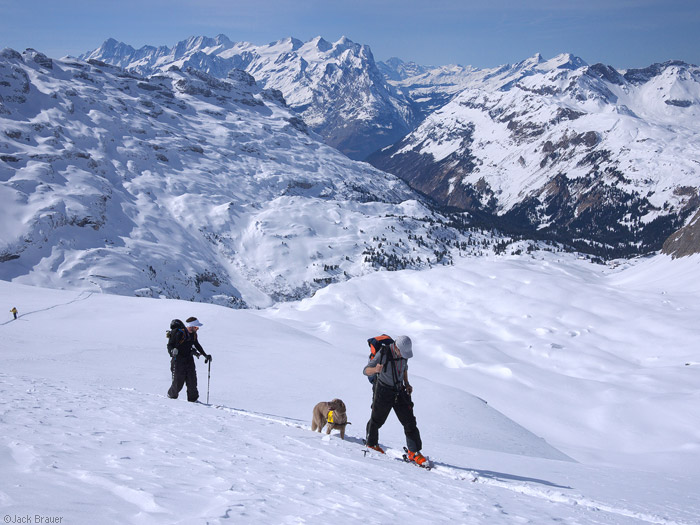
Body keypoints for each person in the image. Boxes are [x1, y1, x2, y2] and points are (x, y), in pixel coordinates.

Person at [363, 335, 427, 466]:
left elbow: (404, 369)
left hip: (399, 390)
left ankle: (414, 452)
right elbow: (365, 370)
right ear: (396, 348)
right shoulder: (384, 353)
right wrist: (375, 369)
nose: (404, 356)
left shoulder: (403, 354)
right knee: (377, 420)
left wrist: (407, 383)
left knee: (409, 421)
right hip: (383, 390)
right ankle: (371, 444)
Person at [167, 316, 212, 402]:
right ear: (191, 326)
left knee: (192, 381)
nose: (197, 329)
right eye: (196, 327)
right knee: (178, 382)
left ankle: (193, 400)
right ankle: (171, 397)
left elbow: (197, 345)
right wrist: (172, 351)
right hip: (178, 360)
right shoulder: (179, 333)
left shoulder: (193, 335)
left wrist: (205, 355)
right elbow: (170, 345)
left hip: (189, 359)